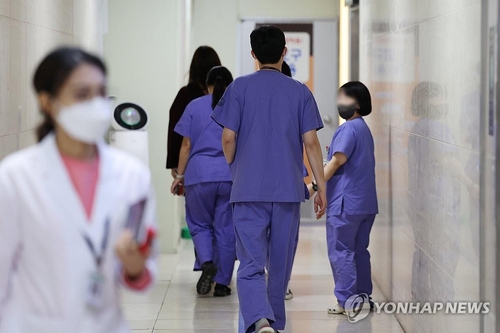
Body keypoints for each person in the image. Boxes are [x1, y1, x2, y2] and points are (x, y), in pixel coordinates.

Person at [0, 47, 157, 333]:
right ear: (47, 102)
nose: (95, 105)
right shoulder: (16, 178)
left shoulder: (132, 176)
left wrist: (135, 267)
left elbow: (145, 275)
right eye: (82, 94)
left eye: (100, 93)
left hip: (106, 324)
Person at [212, 26, 327, 333]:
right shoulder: (300, 91)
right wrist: (321, 187)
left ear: (253, 54)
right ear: (284, 53)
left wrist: (236, 166)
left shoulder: (238, 88)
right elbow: (312, 143)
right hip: (288, 193)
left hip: (248, 190)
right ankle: (273, 325)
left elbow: (227, 138)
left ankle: (258, 321)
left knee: (250, 264)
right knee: (279, 267)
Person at [308, 81, 378, 314]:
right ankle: (363, 297)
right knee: (359, 251)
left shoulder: (348, 129)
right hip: (365, 203)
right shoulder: (363, 128)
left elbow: (337, 162)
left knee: (342, 252)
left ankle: (347, 301)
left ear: (357, 104)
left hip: (346, 204)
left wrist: (314, 186)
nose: (340, 104)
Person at [170, 66, 236, 297]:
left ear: (207, 84)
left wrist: (179, 176)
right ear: (230, 85)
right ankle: (222, 283)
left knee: (199, 224)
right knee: (226, 228)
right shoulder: (236, 107)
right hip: (228, 175)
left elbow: (186, 145)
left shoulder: (194, 106)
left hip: (198, 175)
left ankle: (207, 261)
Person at [166, 46, 221, 177]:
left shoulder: (186, 95)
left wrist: (175, 165)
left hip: (194, 167)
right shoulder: (227, 96)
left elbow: (176, 131)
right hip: (224, 169)